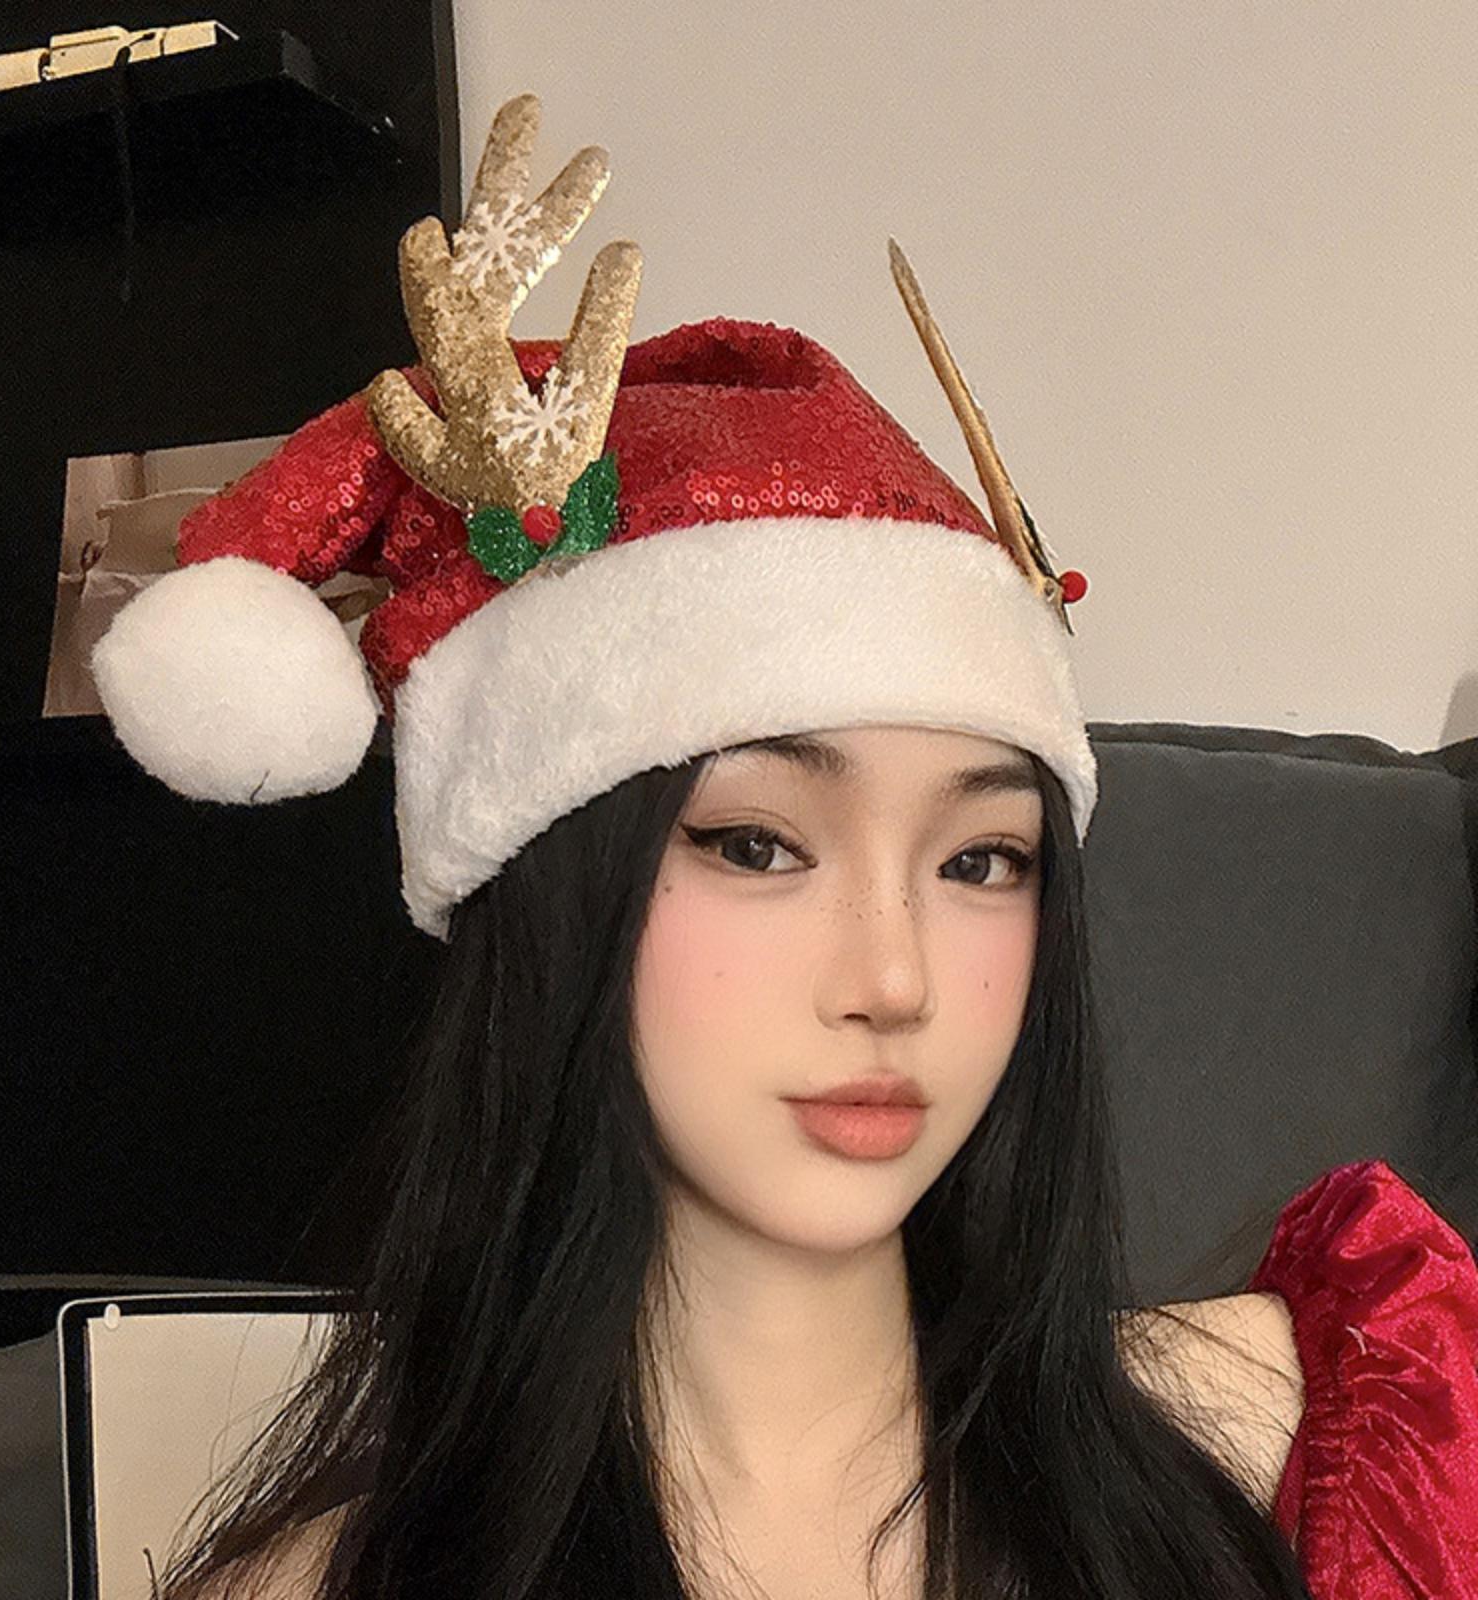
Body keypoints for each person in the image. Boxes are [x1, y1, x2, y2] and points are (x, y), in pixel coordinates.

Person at [91, 93, 1478, 1600]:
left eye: (980, 862)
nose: (895, 980)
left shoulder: (1336, 1429)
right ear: (554, 891)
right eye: (757, 846)